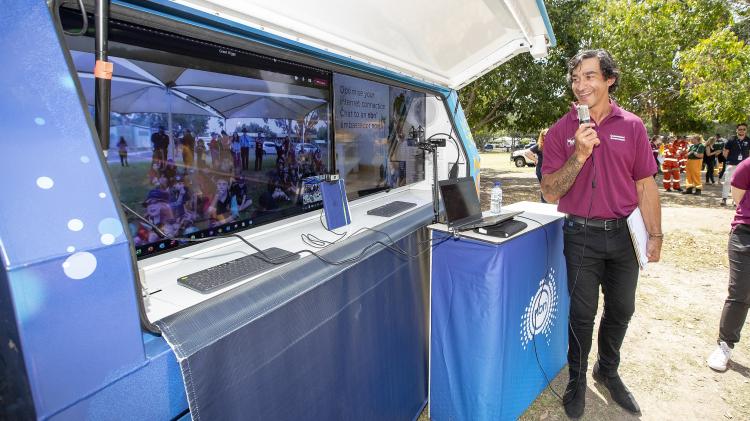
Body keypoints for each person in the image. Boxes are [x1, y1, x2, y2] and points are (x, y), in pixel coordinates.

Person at [540, 49, 662, 419]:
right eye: (576, 78)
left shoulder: (633, 126)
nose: (581, 85)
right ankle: (577, 380)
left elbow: (645, 184)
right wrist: (578, 154)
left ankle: (606, 371)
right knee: (581, 314)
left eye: (590, 76)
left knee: (622, 308)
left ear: (609, 79)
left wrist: (655, 235)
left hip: (625, 235)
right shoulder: (562, 129)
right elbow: (549, 191)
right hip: (581, 235)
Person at [707, 157, 750, 372]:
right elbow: (738, 197)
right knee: (740, 292)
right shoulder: (747, 166)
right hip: (745, 235)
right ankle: (725, 345)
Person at [721, 123, 750, 206]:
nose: (742, 131)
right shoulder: (731, 140)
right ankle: (724, 198)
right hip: (732, 164)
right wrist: (729, 161)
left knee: (741, 183)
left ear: (746, 130)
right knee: (727, 181)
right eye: (740, 129)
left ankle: (736, 200)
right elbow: (725, 152)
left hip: (743, 167)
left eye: (744, 129)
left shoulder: (748, 140)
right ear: (736, 130)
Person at [525, 128, 548, 203]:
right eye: (544, 135)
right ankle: (544, 205)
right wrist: (536, 160)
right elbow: (527, 153)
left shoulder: (554, 144)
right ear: (542, 136)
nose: (546, 136)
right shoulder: (539, 145)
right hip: (541, 169)